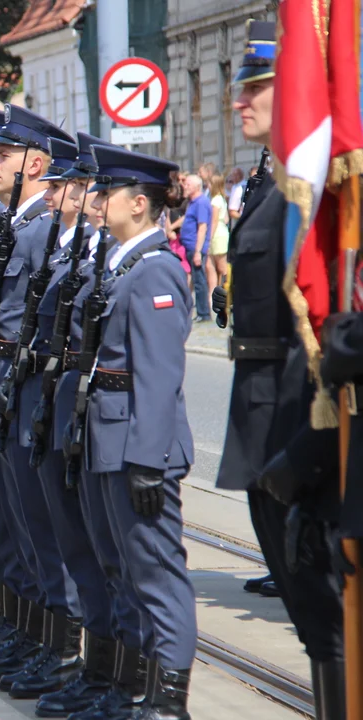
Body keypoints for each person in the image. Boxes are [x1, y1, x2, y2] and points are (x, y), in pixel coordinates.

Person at [213, 19, 345, 717]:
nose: (242, 99)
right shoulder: (273, 187)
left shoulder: (325, 186)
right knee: (314, 629)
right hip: (264, 427)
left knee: (334, 626)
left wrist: (311, 450)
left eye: (260, 84)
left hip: (306, 432)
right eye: (242, 85)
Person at [86, 143, 196, 719]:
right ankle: (136, 691)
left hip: (137, 445)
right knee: (124, 571)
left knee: (157, 575)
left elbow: (156, 376)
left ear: (138, 202)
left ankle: (168, 704)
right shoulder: (123, 263)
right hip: (111, 439)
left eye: (108, 194)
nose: (98, 203)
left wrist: (150, 460)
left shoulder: (155, 268)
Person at [179, 173, 212, 321]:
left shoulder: (201, 202)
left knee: (199, 281)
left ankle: (204, 313)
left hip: (195, 247)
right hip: (189, 246)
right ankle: (199, 311)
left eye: (188, 185)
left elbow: (202, 227)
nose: (185, 187)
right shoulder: (192, 202)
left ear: (197, 187)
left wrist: (198, 251)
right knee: (195, 280)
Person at [208, 173, 230, 288]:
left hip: (217, 235)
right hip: (222, 232)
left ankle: (229, 290)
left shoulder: (215, 201)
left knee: (221, 267)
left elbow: (214, 220)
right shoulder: (222, 199)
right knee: (215, 266)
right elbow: (226, 219)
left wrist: (209, 238)